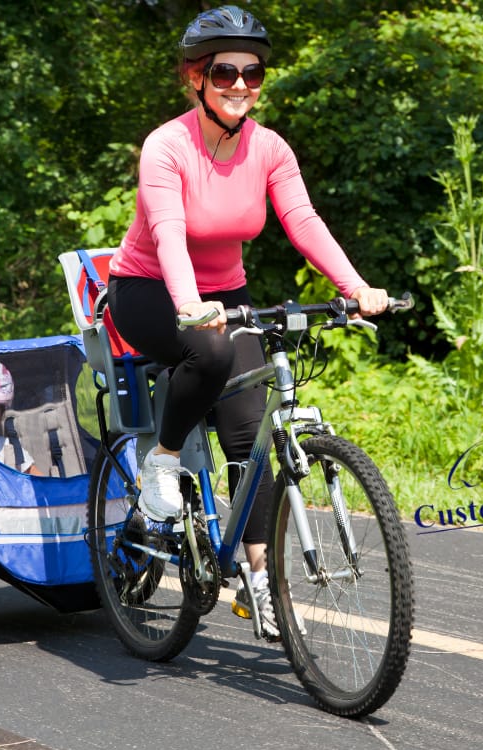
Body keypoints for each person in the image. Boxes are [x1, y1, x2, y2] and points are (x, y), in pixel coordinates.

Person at [106, 5, 389, 639]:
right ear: (195, 77)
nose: (241, 84)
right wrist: (188, 302)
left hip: (227, 293)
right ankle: (163, 463)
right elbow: (169, 235)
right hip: (149, 288)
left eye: (253, 72)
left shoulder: (269, 147)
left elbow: (304, 222)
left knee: (249, 435)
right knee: (206, 353)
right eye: (225, 70)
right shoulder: (167, 146)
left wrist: (358, 288)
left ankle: (259, 579)